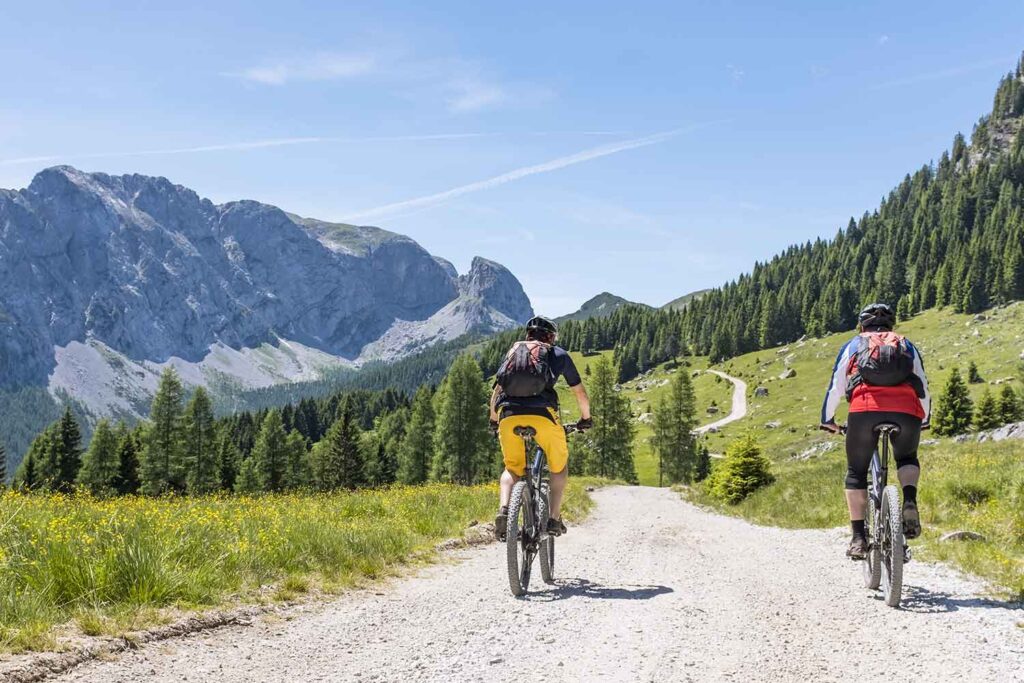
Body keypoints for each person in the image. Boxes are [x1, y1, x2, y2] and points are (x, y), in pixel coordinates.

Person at [820, 303, 930, 559]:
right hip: (907, 411)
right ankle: (909, 499)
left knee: (856, 472)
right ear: (892, 326)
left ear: (862, 325)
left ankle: (859, 539)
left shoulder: (854, 344)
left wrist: (828, 420)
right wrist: (925, 418)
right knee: (907, 458)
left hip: (864, 410)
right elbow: (922, 383)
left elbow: (836, 385)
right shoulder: (906, 344)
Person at [490, 316, 591, 541]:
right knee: (558, 467)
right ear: (550, 337)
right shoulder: (558, 355)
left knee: (512, 470)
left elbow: (496, 391)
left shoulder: (513, 354)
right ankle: (554, 519)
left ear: (528, 336)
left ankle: (505, 510)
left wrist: (494, 420)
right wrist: (586, 418)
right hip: (543, 415)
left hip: (507, 415)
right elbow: (580, 393)